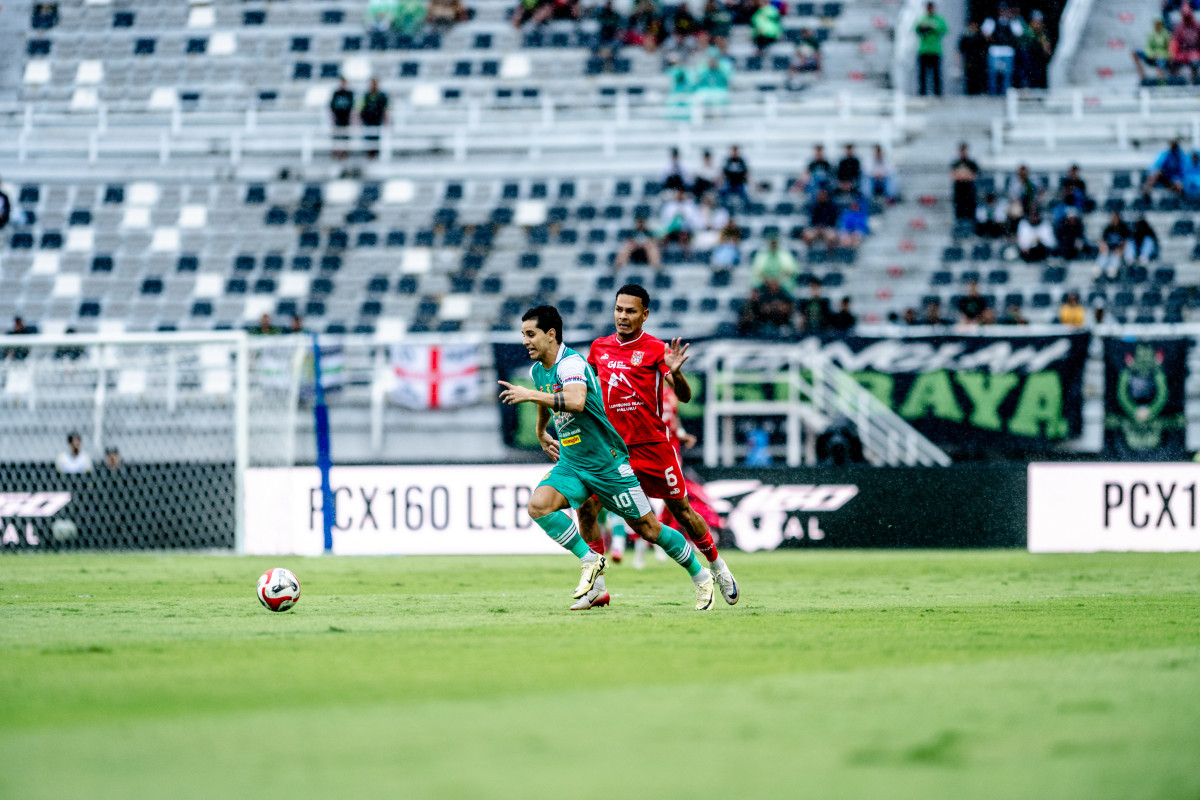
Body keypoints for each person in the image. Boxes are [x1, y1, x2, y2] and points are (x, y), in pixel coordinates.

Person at [497, 305, 718, 611]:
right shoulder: (538, 370)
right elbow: (544, 397)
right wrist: (541, 431)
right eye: (523, 334)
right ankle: (592, 567)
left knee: (649, 529)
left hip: (606, 463)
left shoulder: (571, 363)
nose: (525, 341)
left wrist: (529, 394)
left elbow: (576, 400)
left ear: (551, 334)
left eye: (530, 334)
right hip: (573, 462)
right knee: (539, 506)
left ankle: (701, 575)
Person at [572, 286, 738, 603]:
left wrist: (677, 373)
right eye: (619, 309)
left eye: (630, 311)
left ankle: (718, 566)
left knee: (683, 512)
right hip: (613, 451)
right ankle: (597, 585)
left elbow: (685, 396)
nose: (623, 316)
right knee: (586, 508)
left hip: (652, 448)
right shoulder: (599, 348)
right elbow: (587, 392)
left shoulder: (655, 349)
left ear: (645, 314)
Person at [982, 5, 1023, 95]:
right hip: (995, 50)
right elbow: (986, 33)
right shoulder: (992, 20)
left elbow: (1019, 33)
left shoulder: (1012, 21)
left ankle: (1005, 92)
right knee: (993, 73)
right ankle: (993, 93)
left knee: (1007, 74)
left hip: (1008, 50)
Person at [915, 2, 948, 96]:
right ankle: (922, 93)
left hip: (935, 50)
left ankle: (938, 93)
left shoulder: (939, 19)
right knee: (922, 74)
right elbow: (916, 29)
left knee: (936, 74)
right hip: (923, 50)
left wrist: (931, 27)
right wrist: (924, 28)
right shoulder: (922, 19)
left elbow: (944, 29)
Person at [359, 78, 388, 159]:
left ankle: (375, 155)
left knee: (377, 139)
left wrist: (386, 120)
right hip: (367, 121)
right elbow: (361, 108)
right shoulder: (366, 95)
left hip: (377, 121)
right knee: (368, 139)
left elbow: (385, 109)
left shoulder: (382, 96)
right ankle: (369, 155)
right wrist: (359, 119)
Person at [1097, 211, 1132, 279]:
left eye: (1116, 218)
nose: (1114, 219)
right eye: (1113, 218)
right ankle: (1098, 273)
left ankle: (1112, 273)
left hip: (1119, 250)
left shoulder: (1124, 229)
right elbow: (1103, 240)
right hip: (1108, 249)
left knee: (1115, 258)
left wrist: (1120, 249)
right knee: (1103, 256)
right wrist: (1104, 248)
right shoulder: (1108, 228)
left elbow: (1126, 242)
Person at [1170, 6, 1200, 83]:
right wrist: (1174, 54)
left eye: (1188, 16)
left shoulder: (1197, 27)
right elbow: (1175, 43)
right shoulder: (1179, 28)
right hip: (1182, 54)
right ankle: (1176, 81)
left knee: (1195, 61)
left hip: (1195, 53)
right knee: (1172, 62)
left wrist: (1196, 53)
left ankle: (1195, 80)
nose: (1187, 18)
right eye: (1185, 16)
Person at [950, 142, 979, 221]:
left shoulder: (972, 163)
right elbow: (954, 176)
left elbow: (973, 176)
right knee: (959, 215)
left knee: (970, 214)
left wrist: (961, 174)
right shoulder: (955, 163)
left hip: (969, 192)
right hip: (959, 193)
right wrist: (966, 174)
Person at [959, 21, 988, 95]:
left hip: (979, 60)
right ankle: (969, 92)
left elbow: (985, 48)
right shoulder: (965, 37)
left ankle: (978, 91)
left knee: (978, 76)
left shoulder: (980, 36)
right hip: (969, 59)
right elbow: (960, 50)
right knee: (969, 76)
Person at [329, 78, 355, 160]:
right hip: (337, 119)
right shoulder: (336, 93)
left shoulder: (349, 94)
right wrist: (333, 118)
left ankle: (344, 153)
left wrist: (352, 118)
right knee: (336, 137)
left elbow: (352, 107)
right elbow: (331, 107)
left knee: (345, 137)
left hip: (346, 119)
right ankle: (336, 153)